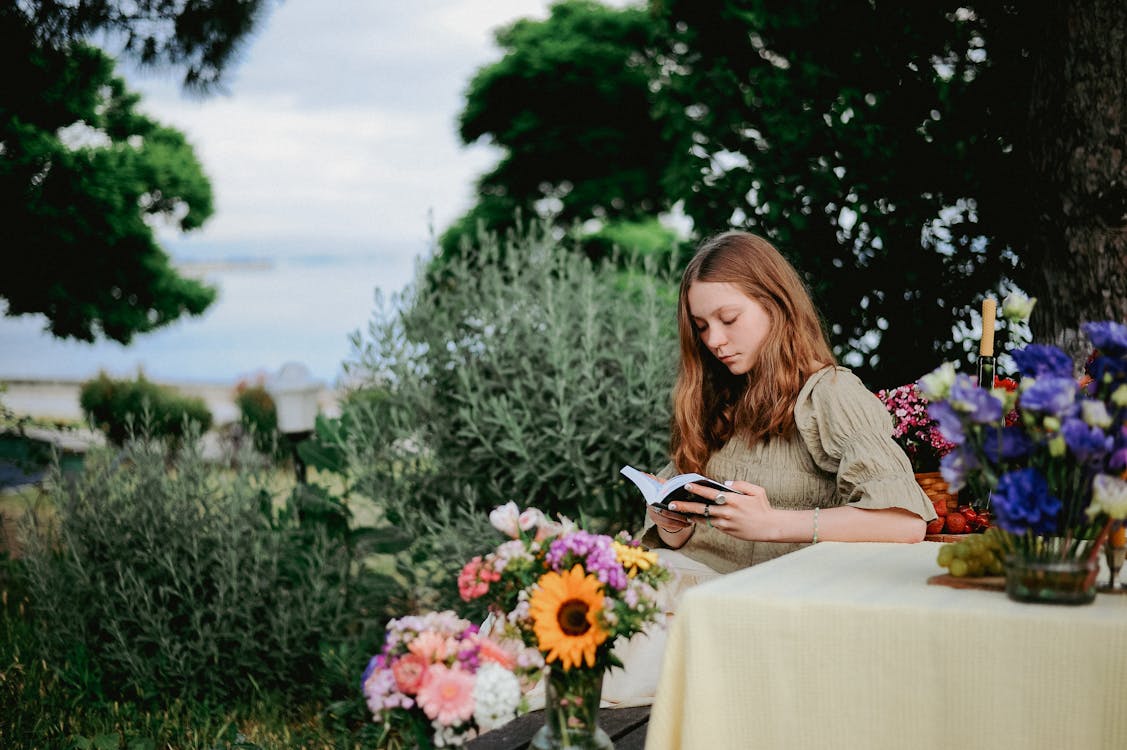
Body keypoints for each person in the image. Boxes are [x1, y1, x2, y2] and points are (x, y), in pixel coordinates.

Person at [601, 230, 935, 706]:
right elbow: (684, 537)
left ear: (776, 304)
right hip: (686, 589)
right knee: (563, 604)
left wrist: (772, 522)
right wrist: (670, 518)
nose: (715, 340)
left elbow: (904, 524)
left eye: (728, 318)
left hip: (750, 612)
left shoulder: (830, 394)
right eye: (701, 326)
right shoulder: (716, 399)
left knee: (596, 647)